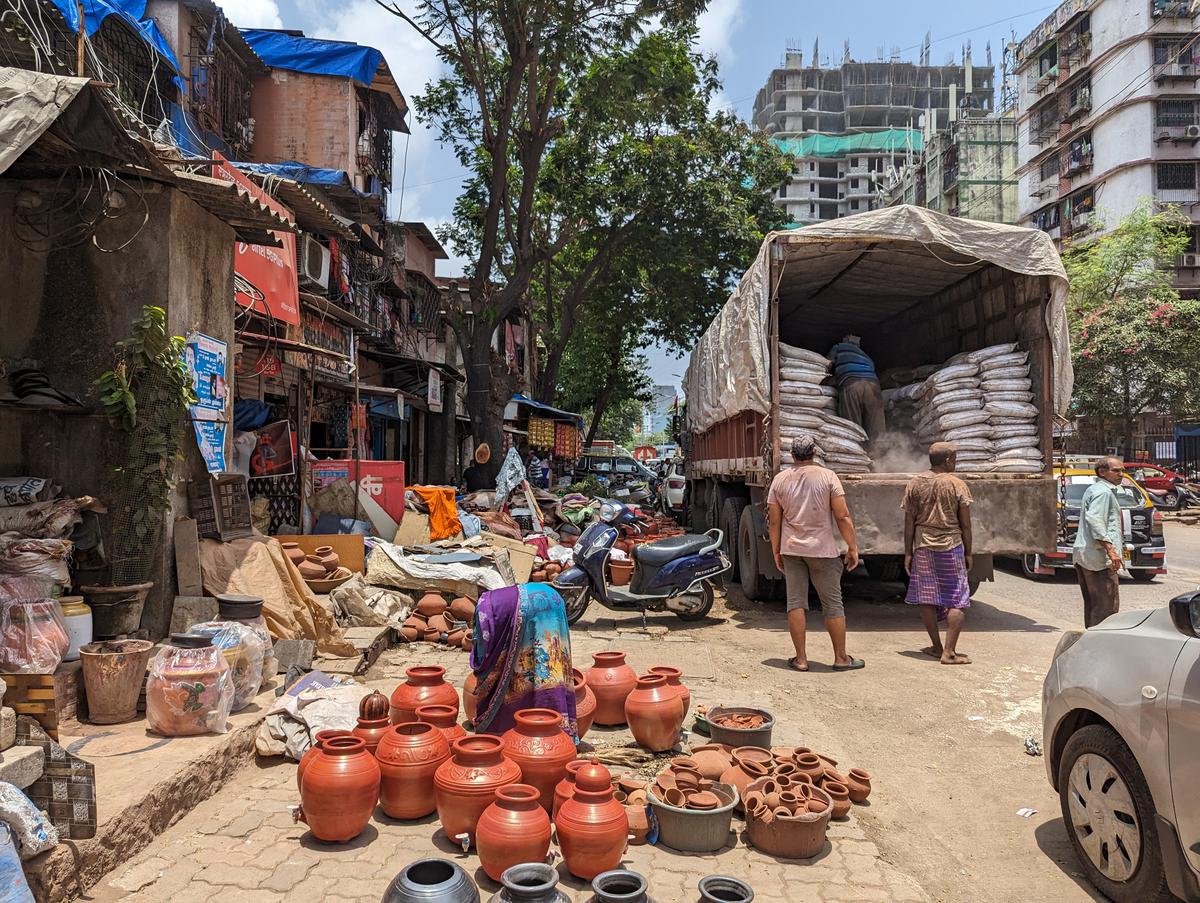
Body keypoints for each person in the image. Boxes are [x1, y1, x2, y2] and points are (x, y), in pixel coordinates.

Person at [768, 433, 864, 672]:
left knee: (796, 602)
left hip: (792, 549)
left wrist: (776, 550)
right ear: (814, 453)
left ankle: (800, 659)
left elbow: (773, 522)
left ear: (792, 455)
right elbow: (842, 515)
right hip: (823, 550)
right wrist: (852, 547)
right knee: (833, 604)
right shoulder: (828, 477)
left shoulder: (780, 480)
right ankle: (841, 658)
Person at [469, 582, 578, 739]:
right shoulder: (487, 606)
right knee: (538, 668)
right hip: (548, 601)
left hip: (538, 607)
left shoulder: (484, 612)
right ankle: (552, 732)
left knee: (546, 668)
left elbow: (485, 652)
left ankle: (546, 732)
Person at [903, 442, 973, 665]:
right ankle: (949, 652)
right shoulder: (957, 484)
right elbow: (966, 525)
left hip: (923, 546)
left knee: (927, 598)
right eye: (955, 458)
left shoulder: (915, 483)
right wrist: (969, 552)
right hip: (951, 546)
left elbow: (908, 522)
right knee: (957, 598)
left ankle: (936, 646)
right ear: (948, 460)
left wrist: (908, 552)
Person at [1073, 456, 1125, 627]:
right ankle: (1100, 646)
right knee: (1106, 608)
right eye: (1116, 470)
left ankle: (1090, 643)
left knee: (1094, 605)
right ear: (1102, 472)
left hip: (1086, 555)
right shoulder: (1102, 492)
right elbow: (1095, 520)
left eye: (1122, 470)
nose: (1121, 474)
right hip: (1098, 558)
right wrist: (1111, 551)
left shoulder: (1094, 489)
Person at [827, 334, 886, 441]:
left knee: (852, 424)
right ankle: (880, 453)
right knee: (875, 423)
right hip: (873, 385)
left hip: (852, 384)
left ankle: (856, 450)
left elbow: (827, 364)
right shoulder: (864, 355)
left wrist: (826, 379)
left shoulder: (838, 347)